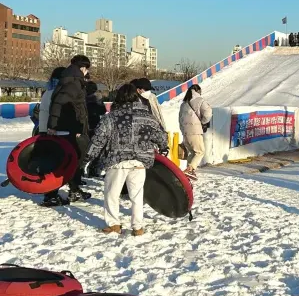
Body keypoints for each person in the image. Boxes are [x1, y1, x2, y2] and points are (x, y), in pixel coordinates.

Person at [83, 84, 168, 235]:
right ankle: (137, 227)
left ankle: (114, 224)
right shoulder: (147, 117)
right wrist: (163, 146)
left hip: (117, 161)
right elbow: (161, 136)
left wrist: (87, 157)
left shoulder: (111, 118)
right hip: (140, 161)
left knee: (112, 194)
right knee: (137, 195)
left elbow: (98, 140)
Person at [42, 56, 93, 207]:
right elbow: (60, 104)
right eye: (87, 69)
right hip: (64, 130)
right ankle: (51, 194)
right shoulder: (73, 82)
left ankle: (73, 190)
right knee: (65, 162)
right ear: (83, 68)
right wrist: (53, 126)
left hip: (67, 129)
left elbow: (75, 108)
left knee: (70, 161)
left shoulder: (69, 80)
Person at [179, 84, 212, 179]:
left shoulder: (183, 104)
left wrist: (183, 131)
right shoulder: (200, 101)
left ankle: (189, 172)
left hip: (185, 132)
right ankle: (190, 169)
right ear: (198, 91)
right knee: (200, 152)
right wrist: (203, 122)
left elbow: (180, 119)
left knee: (192, 153)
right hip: (195, 131)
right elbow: (208, 113)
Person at [35, 67, 66, 136]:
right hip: (59, 130)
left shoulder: (48, 91)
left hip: (49, 130)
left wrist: (42, 131)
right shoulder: (61, 92)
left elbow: (43, 112)